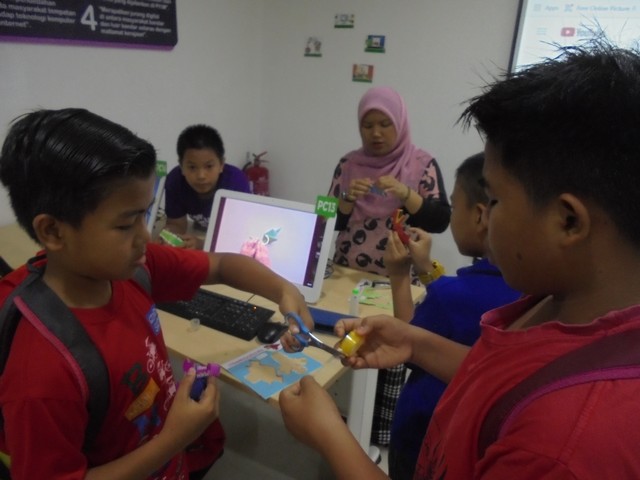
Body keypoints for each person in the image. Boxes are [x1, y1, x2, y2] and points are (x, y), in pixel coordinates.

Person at [280, 41, 640, 479]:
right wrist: (418, 344)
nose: (486, 218)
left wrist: (330, 436)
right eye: (367, 125)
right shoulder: (551, 302)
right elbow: (502, 372)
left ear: (567, 221)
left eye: (495, 199)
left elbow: (436, 217)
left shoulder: (560, 447)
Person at [0, 108, 311, 480]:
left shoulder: (130, 269)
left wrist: (284, 290)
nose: (145, 236)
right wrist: (173, 439)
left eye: (145, 215)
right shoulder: (42, 373)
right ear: (53, 231)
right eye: (125, 224)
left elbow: (221, 265)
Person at [383, 152, 520, 480]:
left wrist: (399, 276)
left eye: (455, 207)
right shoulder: (531, 291)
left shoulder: (451, 296)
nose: (452, 215)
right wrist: (426, 269)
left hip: (421, 441)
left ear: (480, 216)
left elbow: (406, 341)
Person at [328, 85, 451, 446]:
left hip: (398, 279)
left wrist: (405, 193)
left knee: (389, 354)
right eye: (368, 125)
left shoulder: (421, 163)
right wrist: (346, 201)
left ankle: (377, 432)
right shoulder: (348, 164)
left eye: (385, 124)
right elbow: (326, 218)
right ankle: (339, 418)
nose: (376, 133)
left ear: (400, 124)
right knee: (346, 344)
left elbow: (440, 219)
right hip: (348, 275)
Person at [164, 124, 250, 249]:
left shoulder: (236, 182)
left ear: (221, 164)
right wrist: (168, 236)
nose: (201, 176)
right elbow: (176, 224)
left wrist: (202, 245)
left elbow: (240, 233)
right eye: (192, 167)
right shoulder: (175, 180)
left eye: (209, 166)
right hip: (201, 232)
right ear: (181, 166)